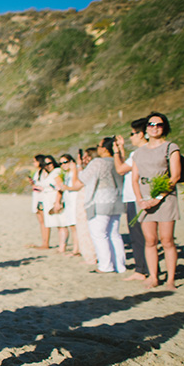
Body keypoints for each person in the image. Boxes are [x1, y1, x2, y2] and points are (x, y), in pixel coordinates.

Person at [131, 112, 181, 289]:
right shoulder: (138, 152)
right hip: (144, 197)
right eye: (151, 125)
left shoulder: (170, 147)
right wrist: (140, 200)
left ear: (164, 127)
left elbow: (175, 176)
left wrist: (158, 198)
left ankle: (170, 279)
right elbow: (135, 178)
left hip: (165, 197)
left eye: (158, 125)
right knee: (150, 240)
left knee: (167, 239)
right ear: (146, 129)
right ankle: (154, 276)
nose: (154, 128)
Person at [70, 138, 126, 273]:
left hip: (100, 201)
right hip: (117, 199)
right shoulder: (117, 162)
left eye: (98, 146)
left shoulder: (98, 162)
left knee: (99, 234)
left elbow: (81, 180)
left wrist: (77, 167)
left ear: (104, 148)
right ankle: (120, 265)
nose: (98, 148)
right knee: (114, 234)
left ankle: (105, 266)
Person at [112, 118, 150, 281]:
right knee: (142, 235)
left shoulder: (139, 153)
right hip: (136, 197)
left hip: (136, 198)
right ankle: (144, 268)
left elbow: (120, 169)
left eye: (132, 134)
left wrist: (115, 152)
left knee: (138, 235)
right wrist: (121, 149)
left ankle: (142, 269)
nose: (131, 137)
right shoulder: (141, 153)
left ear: (141, 134)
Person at [40, 156, 69, 253]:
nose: (48, 166)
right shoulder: (48, 174)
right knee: (58, 224)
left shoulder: (56, 172)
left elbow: (59, 187)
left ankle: (62, 246)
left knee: (62, 224)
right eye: (45, 164)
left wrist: (58, 202)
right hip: (48, 198)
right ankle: (61, 245)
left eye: (49, 163)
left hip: (55, 198)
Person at [56, 154, 79, 256]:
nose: (63, 165)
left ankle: (76, 249)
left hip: (75, 200)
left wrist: (66, 188)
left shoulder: (75, 171)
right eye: (60, 163)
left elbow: (76, 186)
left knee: (75, 226)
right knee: (72, 225)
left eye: (65, 162)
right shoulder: (67, 173)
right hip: (69, 201)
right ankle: (75, 248)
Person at [28, 154, 50, 249]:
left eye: (35, 161)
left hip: (42, 198)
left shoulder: (44, 172)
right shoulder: (37, 172)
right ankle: (44, 241)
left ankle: (46, 243)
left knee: (44, 221)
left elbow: (45, 185)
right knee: (41, 221)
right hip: (37, 198)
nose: (33, 163)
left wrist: (37, 186)